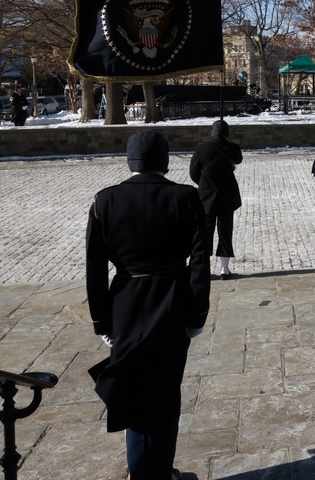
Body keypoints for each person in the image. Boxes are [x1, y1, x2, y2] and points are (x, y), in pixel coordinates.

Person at [86, 131, 210, 480]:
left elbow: (94, 269)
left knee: (132, 387)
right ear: (165, 161)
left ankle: (141, 472)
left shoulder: (104, 201)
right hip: (172, 299)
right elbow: (200, 261)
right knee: (165, 390)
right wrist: (198, 312)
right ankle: (160, 472)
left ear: (130, 161)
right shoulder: (186, 197)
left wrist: (102, 321)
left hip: (124, 301)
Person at [189, 120, 243, 280]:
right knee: (225, 232)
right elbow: (239, 159)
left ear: (212, 133)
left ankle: (204, 268)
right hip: (227, 195)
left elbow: (193, 173)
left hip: (206, 196)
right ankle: (224, 269)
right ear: (226, 133)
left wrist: (204, 184)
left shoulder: (201, 149)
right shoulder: (232, 148)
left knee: (205, 232)